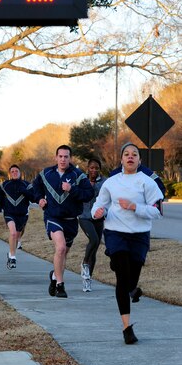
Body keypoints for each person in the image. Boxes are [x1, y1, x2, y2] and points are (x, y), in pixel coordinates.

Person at [91, 142, 163, 344]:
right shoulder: (111, 183)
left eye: (134, 154)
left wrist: (134, 207)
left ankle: (130, 284)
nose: (130, 157)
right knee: (123, 279)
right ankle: (126, 328)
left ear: (140, 160)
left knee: (131, 278)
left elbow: (156, 211)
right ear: (121, 159)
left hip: (139, 236)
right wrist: (97, 212)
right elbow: (100, 204)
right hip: (115, 232)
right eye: (126, 154)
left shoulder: (147, 183)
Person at [33, 145, 94, 298]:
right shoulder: (46, 173)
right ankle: (60, 285)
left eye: (66, 156)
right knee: (60, 248)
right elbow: (35, 186)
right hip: (53, 217)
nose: (63, 159)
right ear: (56, 157)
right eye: (60, 156)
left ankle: (54, 276)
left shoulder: (78, 175)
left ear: (70, 158)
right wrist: (39, 198)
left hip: (71, 220)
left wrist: (71, 189)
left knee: (63, 254)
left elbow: (89, 194)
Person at [0, 164, 35, 269]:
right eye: (12, 171)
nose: (14, 173)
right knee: (13, 233)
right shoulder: (5, 185)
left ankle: (10, 253)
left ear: (20, 173)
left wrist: (25, 192)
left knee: (17, 235)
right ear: (9, 174)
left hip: (22, 214)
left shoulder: (26, 184)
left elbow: (33, 198)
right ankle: (13, 257)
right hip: (9, 213)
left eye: (16, 171)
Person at [79, 158, 106, 292]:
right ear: (88, 168)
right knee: (94, 240)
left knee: (94, 249)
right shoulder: (82, 180)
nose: (94, 170)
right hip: (84, 216)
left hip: (98, 217)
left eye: (96, 168)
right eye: (92, 168)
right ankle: (84, 263)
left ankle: (87, 279)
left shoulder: (104, 182)